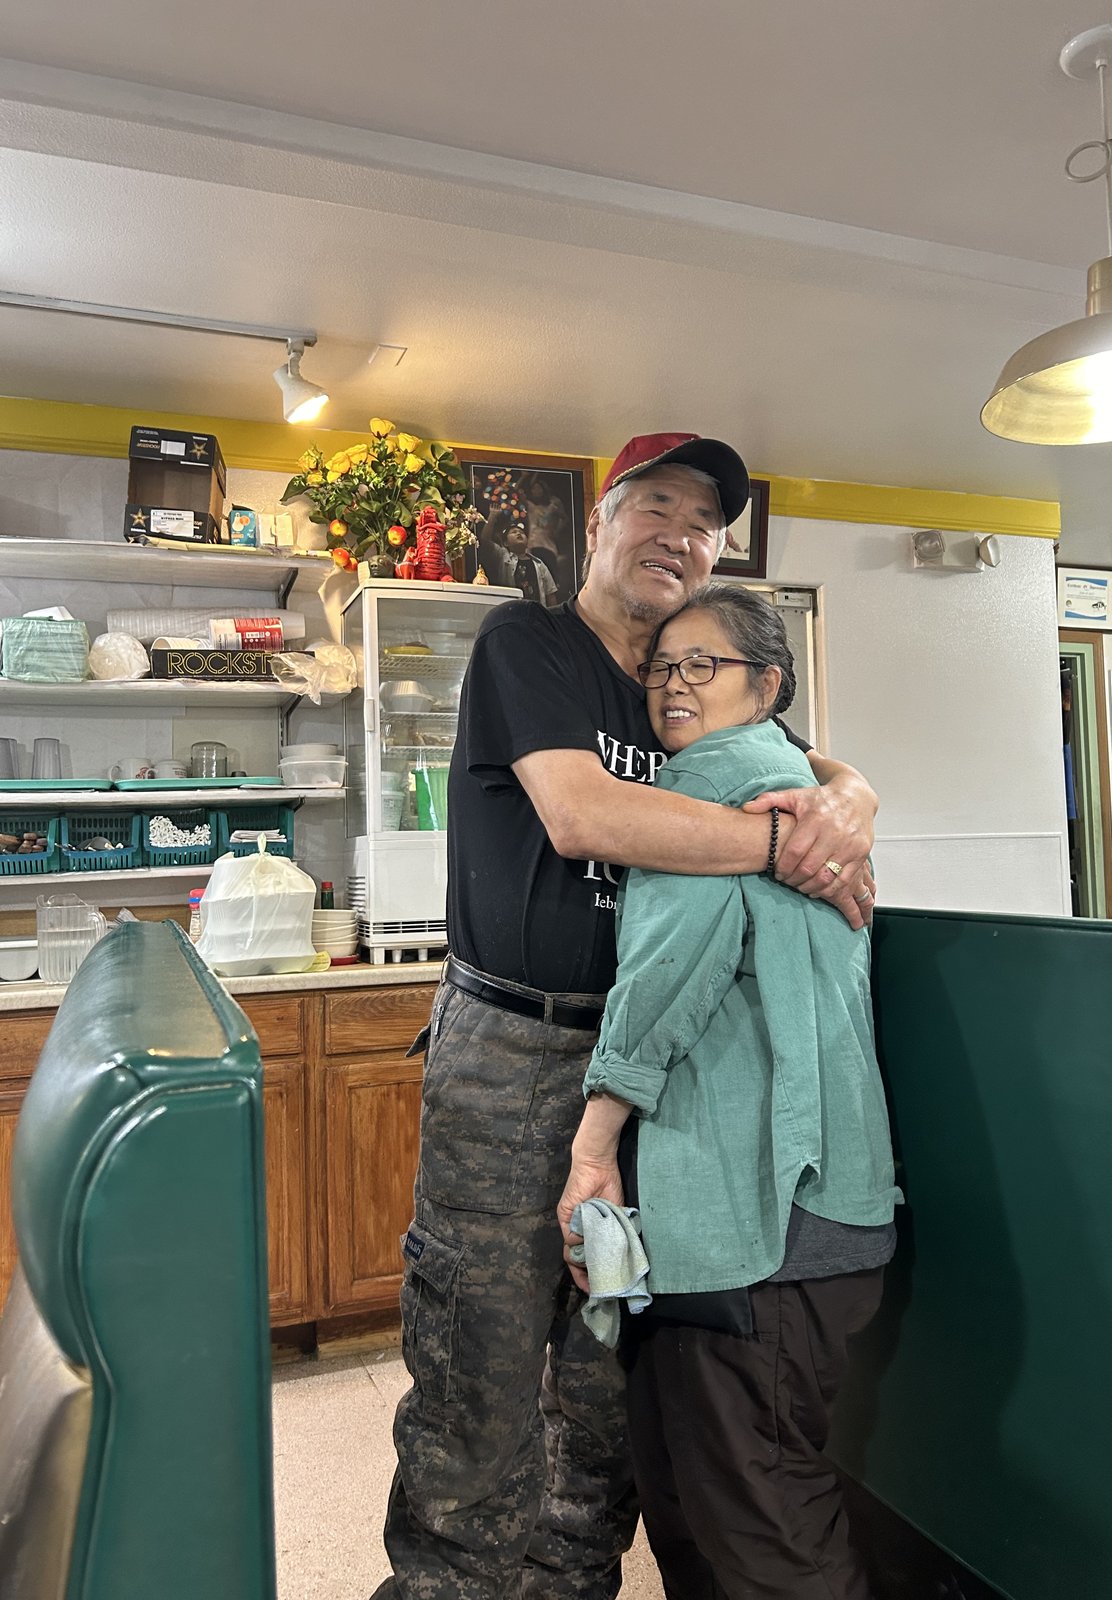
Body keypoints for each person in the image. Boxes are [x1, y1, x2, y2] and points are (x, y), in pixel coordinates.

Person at [369, 431, 879, 1600]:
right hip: (511, 1052)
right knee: (477, 1370)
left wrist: (849, 799)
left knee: (601, 1376)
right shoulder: (528, 642)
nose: (681, 538)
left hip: (647, 1073)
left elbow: (822, 766)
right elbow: (584, 816)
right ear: (600, 520)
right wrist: (782, 844)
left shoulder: (683, 688)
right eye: (657, 506)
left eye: (703, 528)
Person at [558, 584, 899, 1600]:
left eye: (701, 664)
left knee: (761, 1532)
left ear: (769, 685)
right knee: (719, 1503)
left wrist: (591, 1144)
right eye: (662, 667)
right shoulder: (811, 798)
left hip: (754, 1222)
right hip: (824, 1222)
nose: (673, 684)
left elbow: (664, 982)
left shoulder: (709, 790)